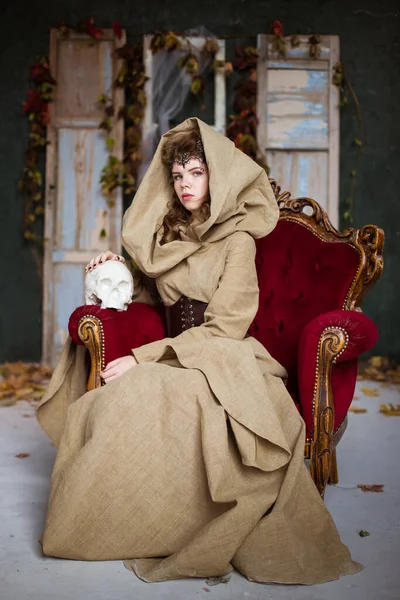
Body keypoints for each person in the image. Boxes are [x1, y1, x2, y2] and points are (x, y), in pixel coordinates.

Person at [37, 118, 361, 584]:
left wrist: (144, 359)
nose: (186, 184)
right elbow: (145, 303)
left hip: (226, 355)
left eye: (196, 173)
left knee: (150, 389)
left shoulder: (238, 241)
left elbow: (227, 327)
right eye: (178, 175)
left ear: (218, 177)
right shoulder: (167, 238)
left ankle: (176, 521)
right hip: (178, 349)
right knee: (107, 402)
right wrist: (112, 277)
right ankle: (121, 516)